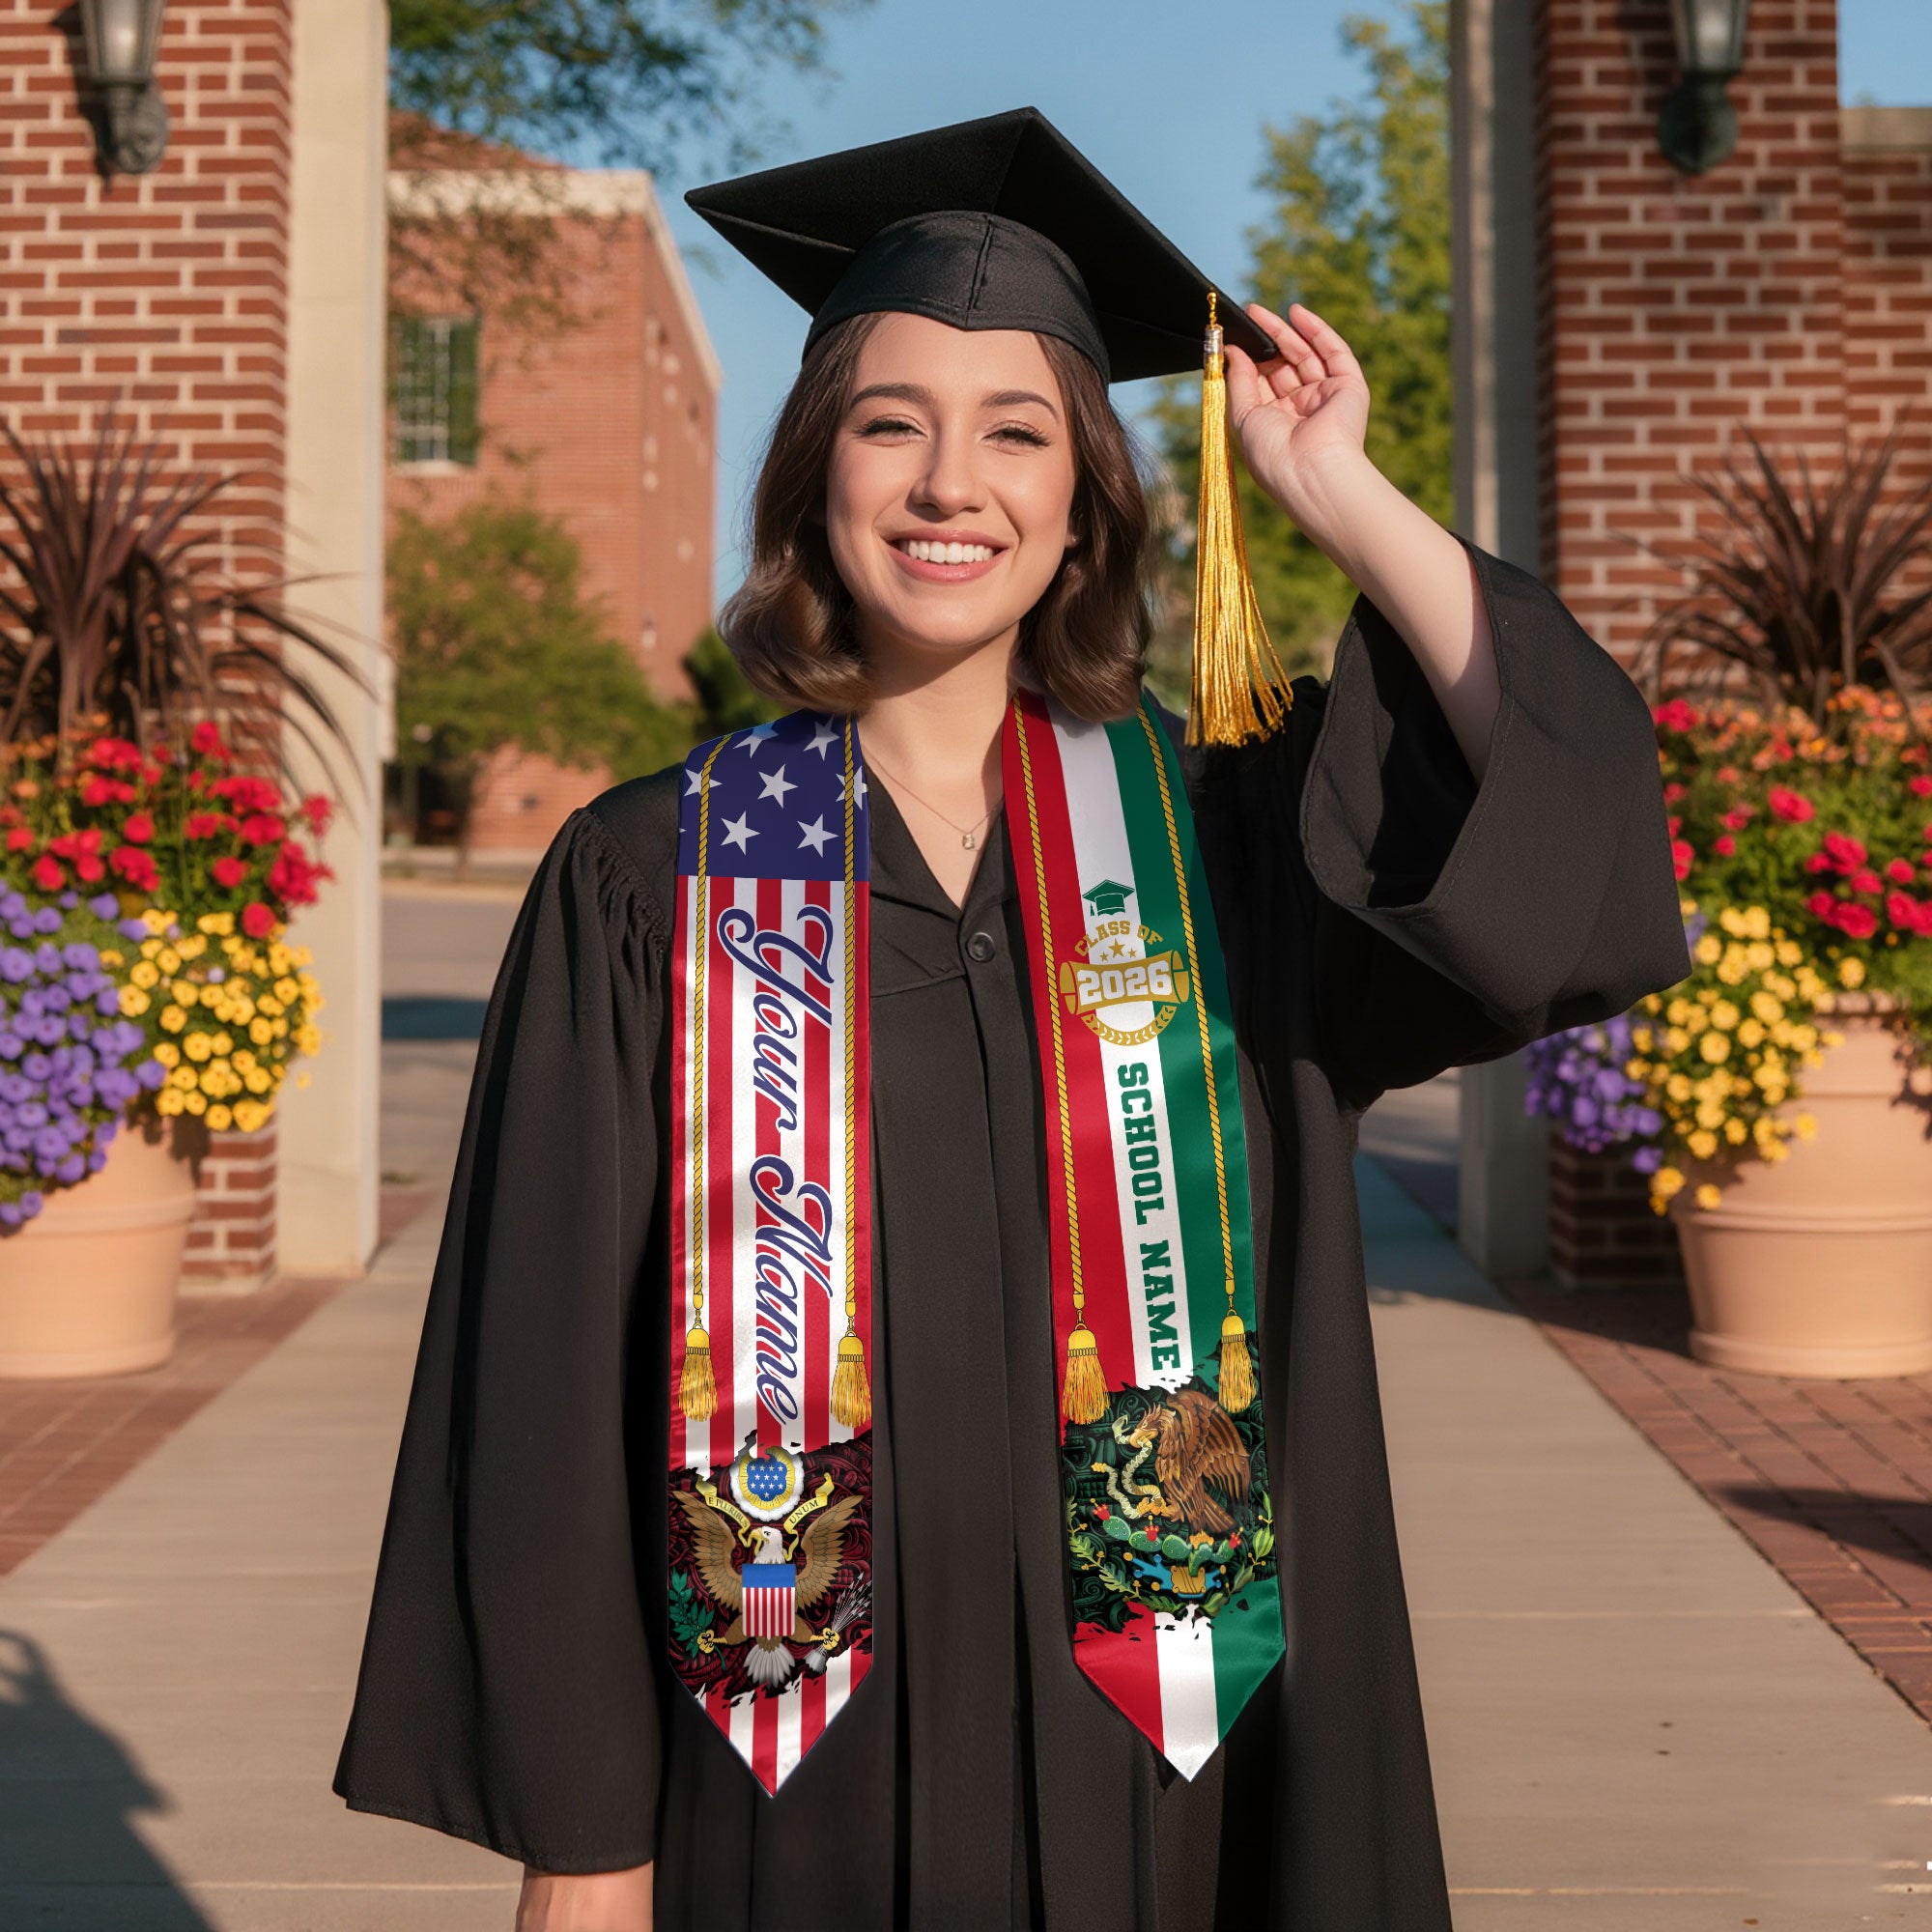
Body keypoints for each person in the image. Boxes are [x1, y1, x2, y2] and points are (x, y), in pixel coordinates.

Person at [333, 109, 1690, 1932]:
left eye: (1016, 433)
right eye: (892, 424)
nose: (947, 483)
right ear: (818, 472)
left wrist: (1337, 492)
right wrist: (585, 1843)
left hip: (1180, 1769)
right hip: (781, 1779)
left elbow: (1559, 835)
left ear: (1082, 505)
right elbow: (545, 1384)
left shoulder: (1232, 847)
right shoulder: (653, 879)